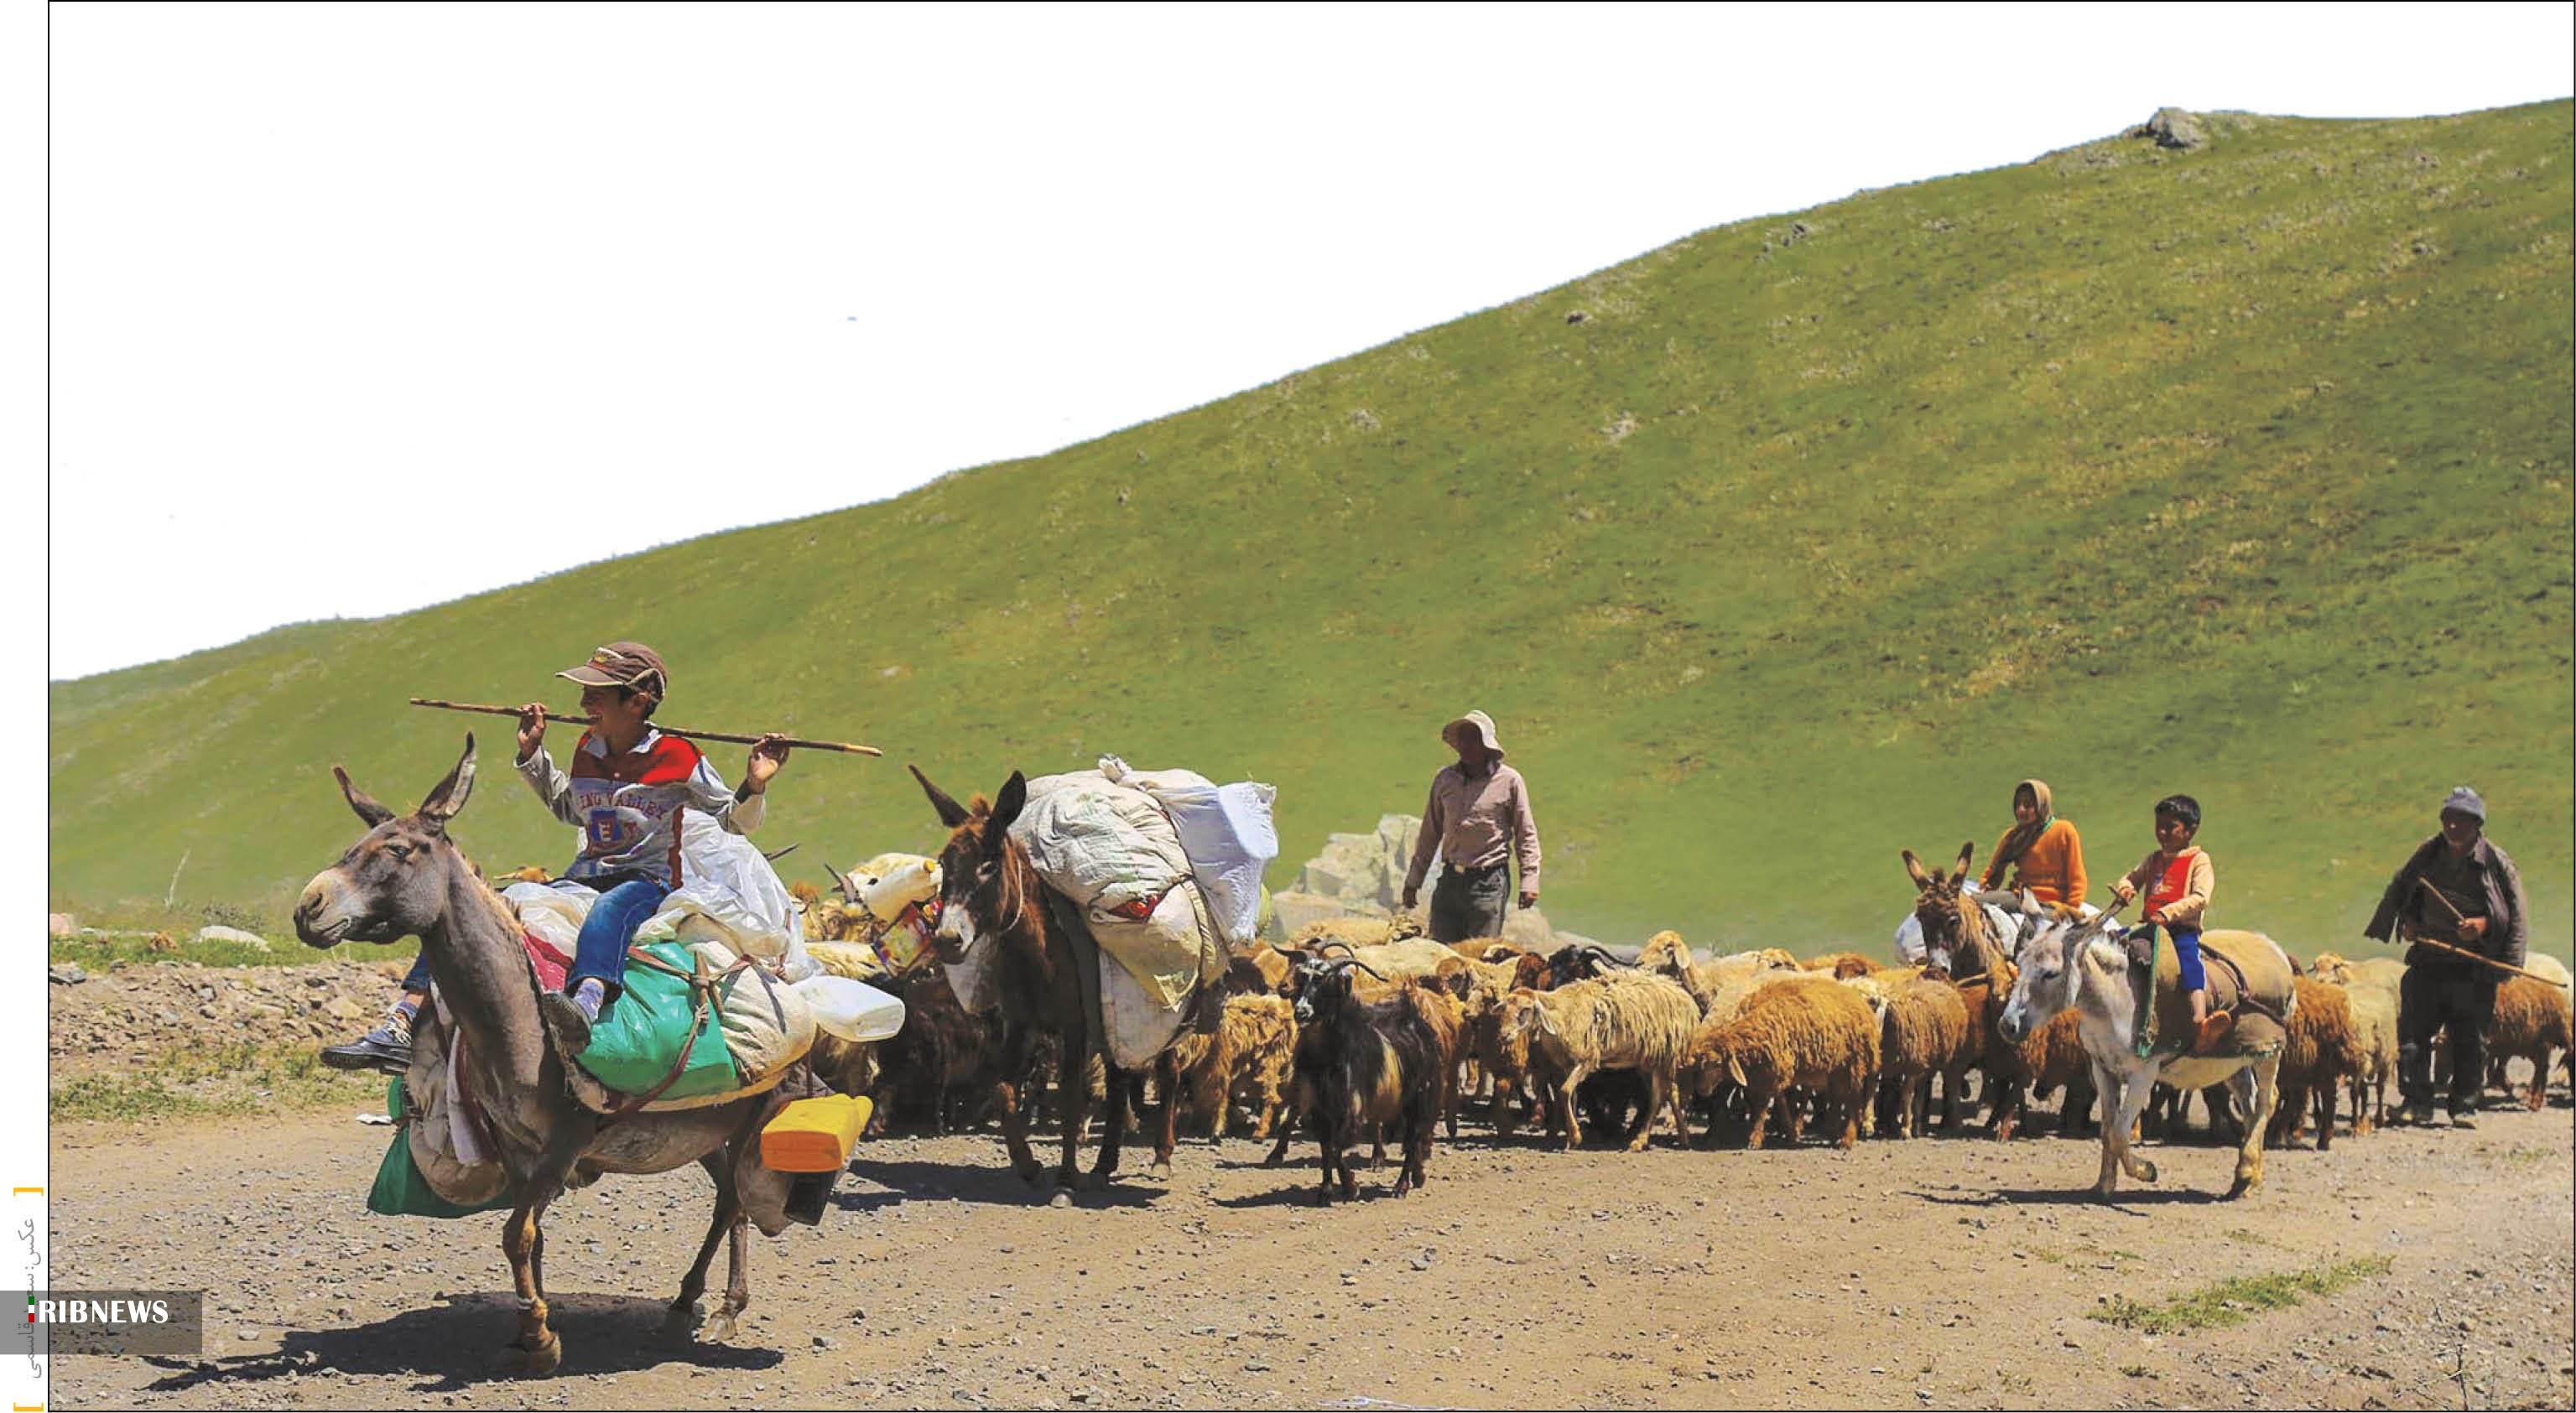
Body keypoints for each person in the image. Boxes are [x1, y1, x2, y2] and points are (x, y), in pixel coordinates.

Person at [321, 642, 789, 1070]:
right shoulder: (589, 748)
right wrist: (534, 755)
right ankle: (402, 1021)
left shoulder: (679, 756)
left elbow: (734, 820)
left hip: (645, 882)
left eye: (598, 694)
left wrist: (757, 781)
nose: (585, 705)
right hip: (582, 876)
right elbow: (572, 809)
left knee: (609, 911)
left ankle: (584, 1005)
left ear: (638, 700)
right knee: (478, 910)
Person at [2364, 787, 2530, 1129]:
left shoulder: (2495, 862)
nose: (2452, 827)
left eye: (2461, 821)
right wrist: (2407, 921)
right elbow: (2404, 888)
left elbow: (2514, 911)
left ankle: (2465, 1106)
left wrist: (2482, 925)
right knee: (2412, 1036)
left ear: (2477, 824)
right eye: (2448, 819)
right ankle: (2416, 1103)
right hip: (2428, 958)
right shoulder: (2428, 853)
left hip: (2472, 967)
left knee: (2470, 1040)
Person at [1399, 710, 1541, 944]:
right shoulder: (1445, 780)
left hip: (1488, 883)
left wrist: (1529, 881)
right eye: (1462, 740)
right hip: (1450, 881)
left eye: (1473, 739)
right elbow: (1429, 834)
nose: (1466, 746)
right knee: (1440, 955)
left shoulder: (1509, 781)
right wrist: (1414, 880)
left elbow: (1526, 834)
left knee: (1479, 959)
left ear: (1487, 744)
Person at [2109, 794, 2227, 1055]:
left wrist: (2168, 913)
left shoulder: (2199, 860)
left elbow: (2201, 897)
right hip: (2149, 926)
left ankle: (2200, 1020)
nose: (2162, 832)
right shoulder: (2153, 859)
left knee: (2189, 963)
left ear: (2190, 830)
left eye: (2170, 827)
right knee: (2110, 942)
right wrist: (2126, 889)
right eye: (2158, 825)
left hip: (2180, 929)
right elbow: (2132, 878)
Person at [1977, 778, 2088, 909]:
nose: (2020, 810)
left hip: (2050, 904)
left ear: (2042, 805)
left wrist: (2070, 909)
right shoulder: (2013, 837)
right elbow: (1992, 871)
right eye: (2017, 805)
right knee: (1974, 902)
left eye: (2028, 805)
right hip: (2018, 897)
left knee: (2028, 927)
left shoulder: (2064, 831)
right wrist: (1985, 888)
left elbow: (2077, 879)